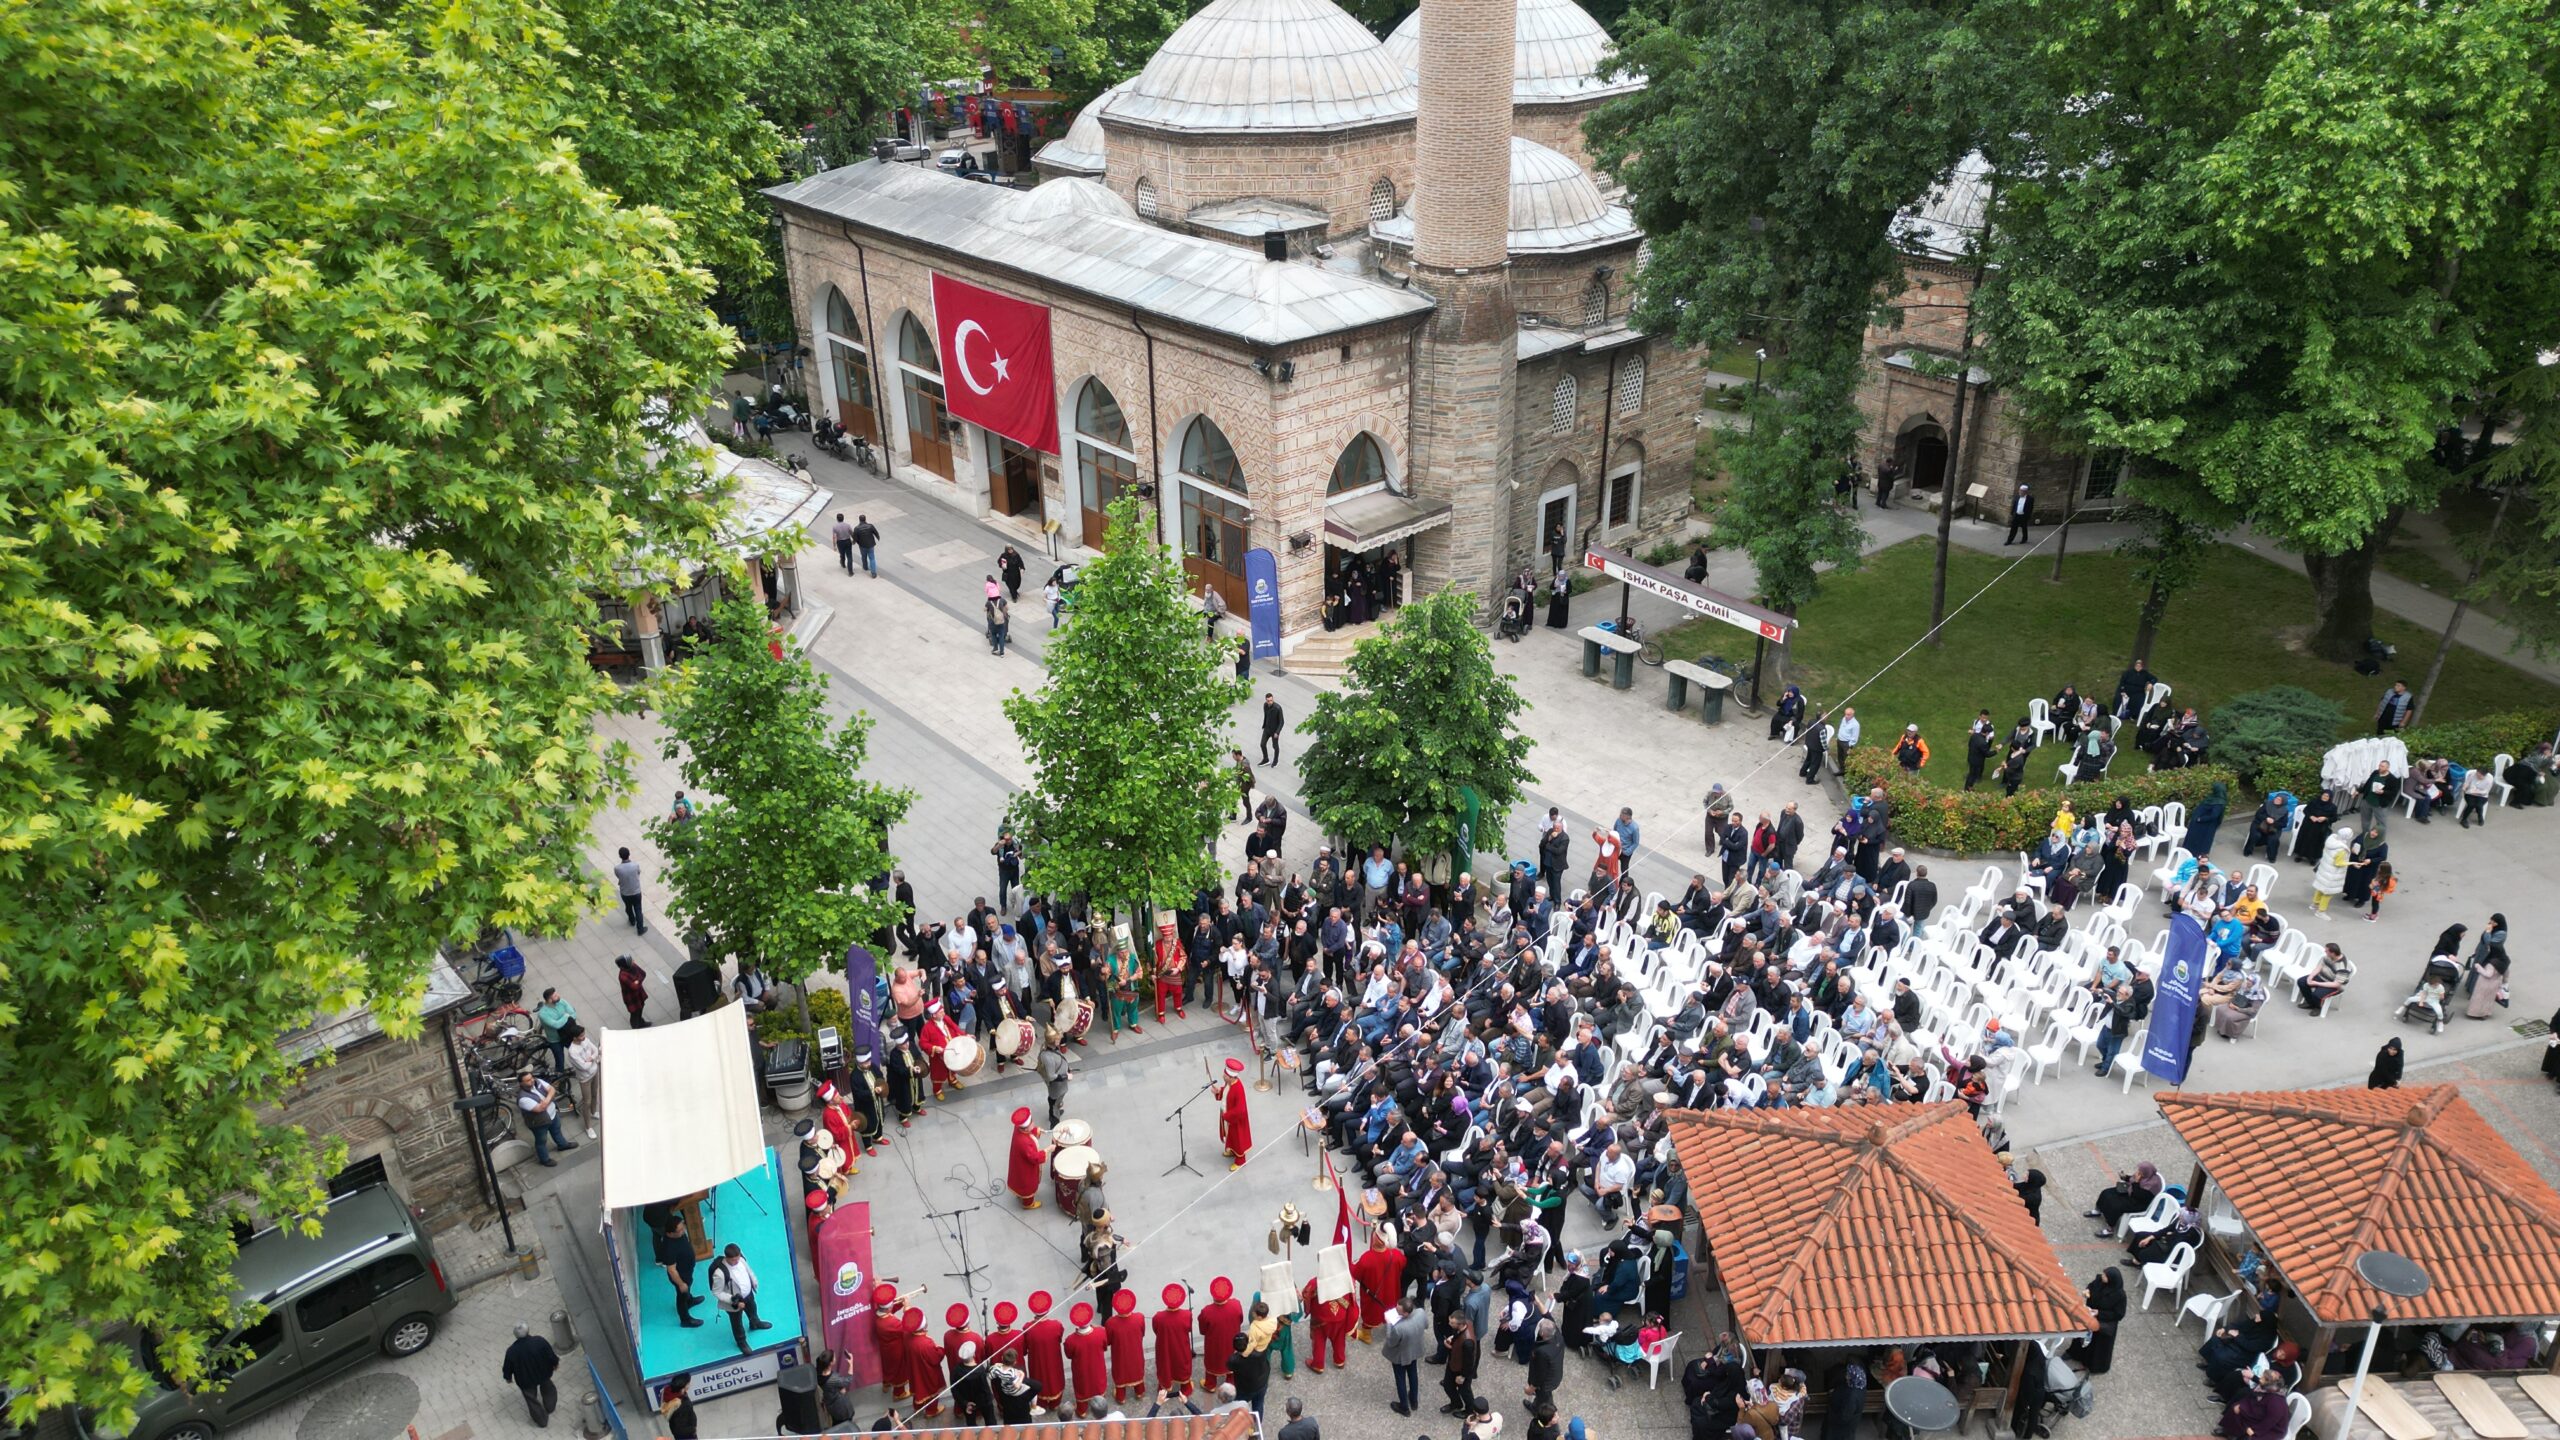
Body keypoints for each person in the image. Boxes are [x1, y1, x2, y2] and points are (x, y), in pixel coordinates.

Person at [710, 1243, 775, 1354]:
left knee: (752, 1309)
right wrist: (733, 1300)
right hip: (734, 1302)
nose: (736, 1262)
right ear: (727, 1258)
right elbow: (716, 1292)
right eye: (733, 1260)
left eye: (738, 1258)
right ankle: (741, 1341)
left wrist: (754, 1281)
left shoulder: (741, 1260)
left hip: (748, 1295)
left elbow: (748, 1271)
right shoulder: (720, 1274)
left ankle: (755, 1323)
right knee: (737, 1322)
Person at [502, 1321, 562, 1426]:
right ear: (528, 1330)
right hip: (543, 1373)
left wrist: (508, 1377)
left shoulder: (511, 1351)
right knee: (548, 1389)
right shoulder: (539, 1341)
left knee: (531, 1400)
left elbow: (507, 1367)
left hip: (525, 1380)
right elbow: (550, 1354)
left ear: (515, 1336)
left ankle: (542, 1421)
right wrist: (555, 1363)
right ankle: (550, 1407)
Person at [515, 1070, 577, 1167]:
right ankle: (544, 1159)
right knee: (541, 1141)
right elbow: (540, 1108)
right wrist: (550, 1097)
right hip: (539, 1122)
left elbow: (552, 1089)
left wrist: (546, 1100)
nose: (531, 1081)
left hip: (552, 1114)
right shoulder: (522, 1098)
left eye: (531, 1078)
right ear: (521, 1083)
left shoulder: (538, 1081)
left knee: (557, 1131)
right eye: (527, 1080)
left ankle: (562, 1145)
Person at [1382, 1302, 1429, 1416]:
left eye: (1399, 1311)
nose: (1396, 1312)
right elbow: (1426, 1326)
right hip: (1415, 1350)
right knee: (1413, 1374)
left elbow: (1391, 1342)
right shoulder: (1421, 1313)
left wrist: (1389, 1324)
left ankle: (1404, 1407)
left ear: (1406, 1313)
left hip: (1401, 1356)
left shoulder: (1399, 1328)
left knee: (1400, 1379)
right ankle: (1414, 1400)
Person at [561, 1022, 601, 1140]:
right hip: (585, 1078)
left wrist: (591, 1058)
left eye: (583, 1034)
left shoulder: (585, 1040)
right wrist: (593, 1059)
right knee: (587, 1102)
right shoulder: (573, 1051)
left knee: (595, 1094)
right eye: (581, 1035)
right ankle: (588, 1127)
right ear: (574, 1037)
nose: (584, 1037)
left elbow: (596, 1051)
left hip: (594, 1072)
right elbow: (583, 1067)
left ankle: (594, 1112)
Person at [1218, 1056, 1253, 1169]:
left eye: (1225, 1075)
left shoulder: (1238, 1089)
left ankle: (1240, 1160)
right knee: (1230, 1136)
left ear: (1230, 1077)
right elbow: (1225, 1093)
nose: (1223, 1076)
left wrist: (1227, 1116)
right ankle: (1232, 1150)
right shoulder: (1229, 1084)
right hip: (1228, 1118)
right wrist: (1218, 1092)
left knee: (1238, 1139)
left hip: (1235, 1120)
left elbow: (1240, 1109)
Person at [1039, 1025, 1075, 1123]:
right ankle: (1054, 1120)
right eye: (1057, 1039)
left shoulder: (1053, 1048)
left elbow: (1059, 1059)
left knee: (1058, 1101)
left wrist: (1067, 1068)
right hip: (1056, 1086)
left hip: (1061, 1084)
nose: (1061, 1038)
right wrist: (1066, 1076)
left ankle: (1057, 1110)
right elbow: (1051, 1076)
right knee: (1054, 1102)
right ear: (1052, 1041)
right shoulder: (1047, 1057)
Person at [614, 846, 647, 934]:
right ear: (629, 854)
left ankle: (632, 920)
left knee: (628, 907)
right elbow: (638, 873)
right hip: (636, 891)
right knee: (638, 909)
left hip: (625, 893)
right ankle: (640, 929)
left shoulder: (617, 868)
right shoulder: (635, 865)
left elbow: (618, 876)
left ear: (620, 856)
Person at [658, 1374, 698, 1440]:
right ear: (683, 1387)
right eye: (688, 1383)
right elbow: (679, 1427)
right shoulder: (682, 1404)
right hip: (686, 1435)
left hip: (681, 1431)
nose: (690, 1385)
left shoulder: (674, 1394)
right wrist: (692, 1430)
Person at [1261, 693, 1286, 766]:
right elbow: (1266, 715)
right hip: (1267, 729)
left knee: (1275, 746)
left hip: (1274, 731)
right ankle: (1266, 759)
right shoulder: (1265, 705)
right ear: (1266, 700)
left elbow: (1282, 721)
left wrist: (1277, 732)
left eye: (1271, 700)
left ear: (1273, 699)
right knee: (1262, 744)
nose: (1270, 702)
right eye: (1268, 701)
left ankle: (1275, 761)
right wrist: (1264, 725)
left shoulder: (1278, 708)